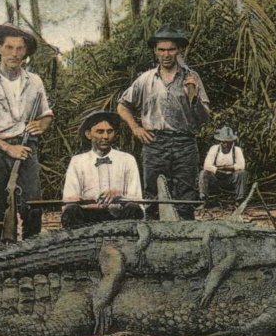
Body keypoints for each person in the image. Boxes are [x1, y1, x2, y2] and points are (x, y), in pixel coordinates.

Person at [0, 23, 53, 240]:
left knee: (33, 200)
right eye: (9, 47)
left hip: (26, 146)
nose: (15, 54)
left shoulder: (34, 81)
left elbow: (47, 114)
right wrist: (7, 147)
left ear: (26, 51)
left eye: (20, 48)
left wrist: (41, 125)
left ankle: (33, 246)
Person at [117, 24, 210, 221]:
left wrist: (193, 96)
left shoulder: (191, 77)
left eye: (171, 49)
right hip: (154, 143)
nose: (166, 54)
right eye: (161, 49)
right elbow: (122, 105)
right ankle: (154, 242)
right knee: (153, 196)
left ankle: (186, 242)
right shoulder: (146, 79)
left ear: (178, 50)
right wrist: (136, 128)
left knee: (186, 197)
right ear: (155, 51)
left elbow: (204, 118)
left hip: (184, 142)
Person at [61, 110, 144, 229]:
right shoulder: (77, 161)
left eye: (109, 132)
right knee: (71, 211)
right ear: (88, 134)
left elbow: (136, 198)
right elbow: (69, 199)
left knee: (134, 209)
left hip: (119, 217)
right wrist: (87, 201)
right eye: (100, 132)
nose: (105, 136)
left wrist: (118, 195)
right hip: (88, 218)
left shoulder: (127, 159)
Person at [198, 125, 249, 204]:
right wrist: (219, 169)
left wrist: (225, 168)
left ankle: (239, 199)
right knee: (203, 173)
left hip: (231, 178)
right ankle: (203, 199)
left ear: (232, 141)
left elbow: (241, 166)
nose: (226, 144)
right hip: (217, 178)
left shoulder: (237, 150)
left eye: (228, 142)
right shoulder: (214, 149)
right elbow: (207, 165)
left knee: (243, 173)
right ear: (220, 141)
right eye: (223, 142)